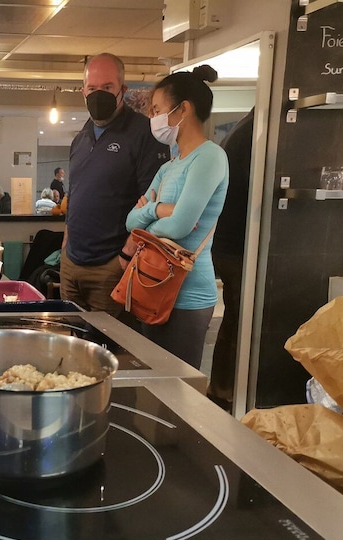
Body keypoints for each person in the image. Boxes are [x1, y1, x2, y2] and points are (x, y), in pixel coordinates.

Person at [125, 65, 228, 370]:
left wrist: (149, 218)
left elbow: (182, 226)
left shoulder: (209, 157)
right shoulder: (169, 166)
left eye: (157, 110)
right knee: (154, 386)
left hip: (188, 294)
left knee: (181, 392)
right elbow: (132, 224)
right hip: (152, 285)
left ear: (183, 109)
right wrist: (157, 210)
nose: (152, 118)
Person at [60, 53, 169, 313]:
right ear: (83, 91)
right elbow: (74, 192)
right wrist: (66, 242)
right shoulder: (81, 137)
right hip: (72, 263)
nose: (99, 95)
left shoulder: (144, 134)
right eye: (93, 88)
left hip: (111, 266)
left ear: (123, 89)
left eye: (107, 88)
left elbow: (153, 200)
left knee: (108, 349)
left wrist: (126, 254)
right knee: (73, 344)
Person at [208, 108, 254, 410]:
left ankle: (222, 388)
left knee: (235, 320)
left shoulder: (242, 130)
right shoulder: (254, 133)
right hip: (236, 245)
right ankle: (227, 391)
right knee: (239, 320)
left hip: (225, 242)